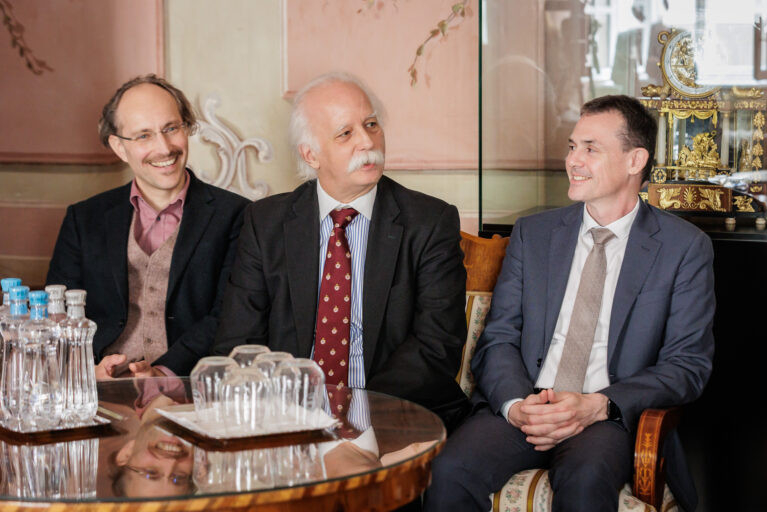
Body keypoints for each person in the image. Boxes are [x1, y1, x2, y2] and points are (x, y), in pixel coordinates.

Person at [424, 95, 714, 512]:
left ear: (635, 160)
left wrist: (599, 405)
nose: (573, 160)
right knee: (448, 471)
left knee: (584, 483)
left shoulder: (683, 247)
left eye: (591, 149)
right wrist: (516, 406)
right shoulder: (534, 234)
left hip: (604, 416)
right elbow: (499, 337)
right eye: (573, 146)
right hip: (527, 404)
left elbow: (687, 365)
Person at [214, 72, 469, 432]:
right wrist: (289, 418)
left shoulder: (429, 222)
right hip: (288, 417)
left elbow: (437, 347)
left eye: (371, 125)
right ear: (311, 155)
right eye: (345, 133)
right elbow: (239, 342)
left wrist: (354, 415)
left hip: (393, 414)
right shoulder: (265, 223)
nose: (367, 141)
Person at [47, 75, 249, 378]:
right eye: (143, 136)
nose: (164, 147)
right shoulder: (84, 218)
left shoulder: (237, 215)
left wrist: (166, 372)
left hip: (190, 387)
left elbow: (229, 315)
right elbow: (58, 314)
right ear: (119, 147)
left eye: (171, 128)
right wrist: (87, 370)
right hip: (99, 386)